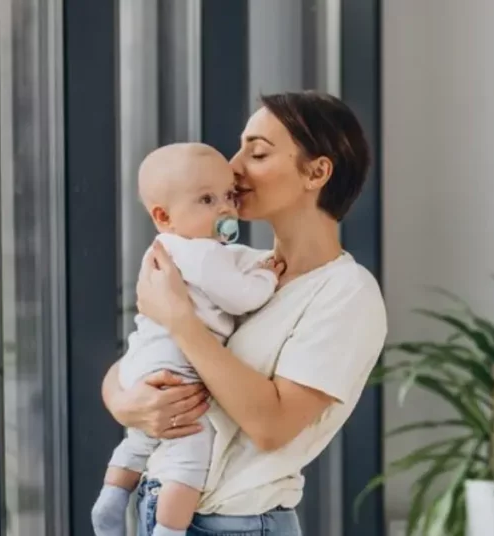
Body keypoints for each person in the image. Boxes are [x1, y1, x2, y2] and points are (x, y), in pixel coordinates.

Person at [100, 91, 388, 536]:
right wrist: (128, 404)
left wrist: (181, 320)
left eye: (256, 152)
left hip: (238, 525)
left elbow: (271, 426)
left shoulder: (347, 293)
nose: (233, 167)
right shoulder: (236, 270)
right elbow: (142, 356)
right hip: (158, 505)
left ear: (317, 172)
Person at [91, 143, 282, 536]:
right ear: (163, 216)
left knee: (144, 436)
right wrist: (267, 275)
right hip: (176, 361)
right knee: (193, 447)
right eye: (207, 199)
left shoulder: (171, 248)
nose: (225, 208)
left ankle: (113, 493)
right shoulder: (203, 254)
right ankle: (170, 530)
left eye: (228, 195)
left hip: (142, 359)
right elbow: (242, 295)